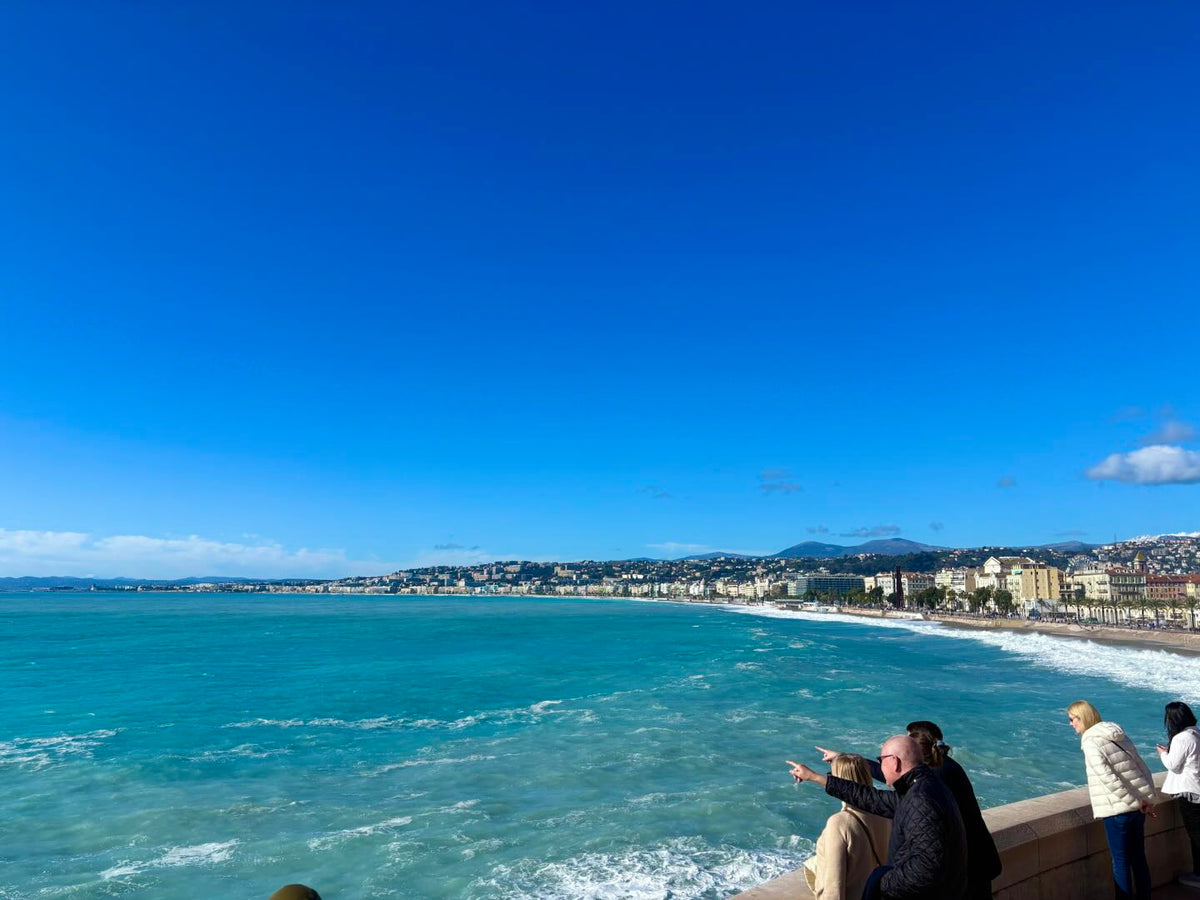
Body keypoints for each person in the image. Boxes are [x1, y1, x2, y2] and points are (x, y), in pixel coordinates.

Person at [817, 720, 1001, 899]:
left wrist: (882, 882)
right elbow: (886, 780)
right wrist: (841, 759)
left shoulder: (929, 785)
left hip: (971, 868)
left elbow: (926, 865)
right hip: (970, 864)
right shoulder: (934, 776)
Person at [790, 734, 968, 899]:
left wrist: (881, 882)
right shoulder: (924, 789)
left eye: (881, 761)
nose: (879, 768)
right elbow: (869, 797)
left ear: (894, 762)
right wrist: (814, 777)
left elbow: (927, 866)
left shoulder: (920, 799)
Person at [1068, 699, 1159, 900]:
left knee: (1121, 862)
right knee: (1138, 858)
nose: (1071, 724)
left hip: (1119, 811)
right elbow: (1142, 767)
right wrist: (1147, 799)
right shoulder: (1118, 734)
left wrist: (1133, 802)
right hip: (1138, 808)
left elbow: (1108, 779)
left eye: (1072, 719)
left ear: (1082, 718)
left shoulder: (1090, 742)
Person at [802, 753, 892, 899]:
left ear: (840, 782)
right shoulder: (886, 812)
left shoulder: (839, 823)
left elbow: (834, 889)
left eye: (831, 776)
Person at [1157, 701, 1200, 889]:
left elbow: (1172, 765)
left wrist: (1162, 753)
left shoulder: (1181, 738)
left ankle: (1198, 875)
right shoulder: (1196, 733)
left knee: (1196, 835)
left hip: (1190, 793)